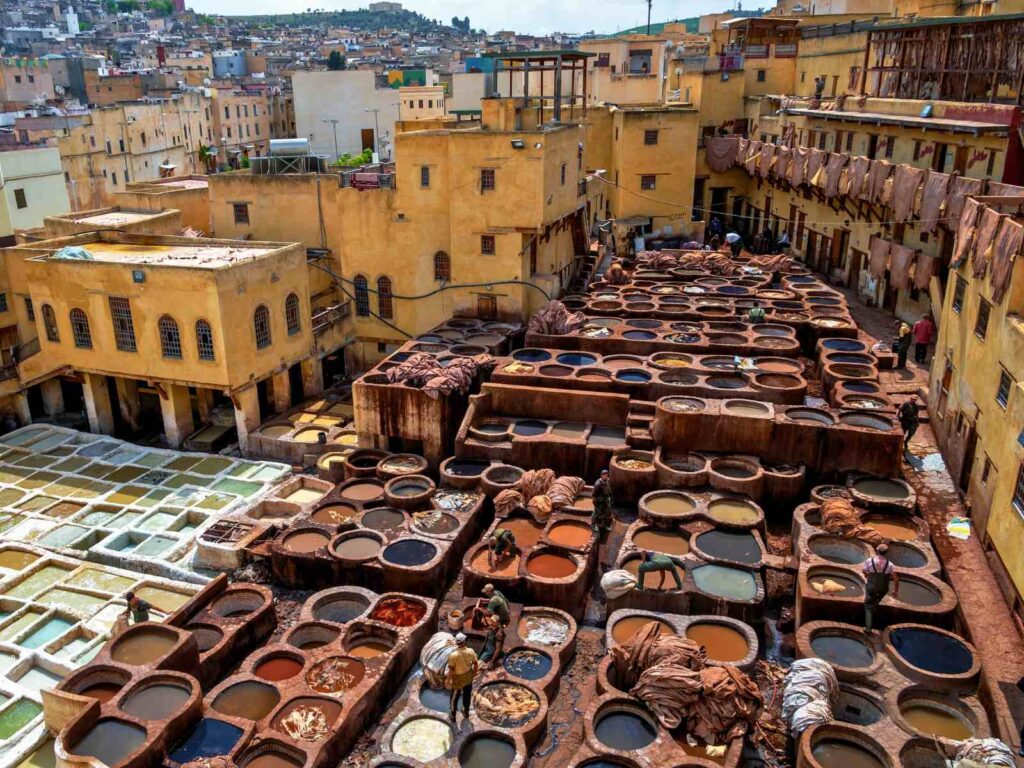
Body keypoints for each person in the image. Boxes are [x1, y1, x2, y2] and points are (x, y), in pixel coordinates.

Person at [862, 543, 899, 633]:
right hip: (883, 589)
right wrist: (895, 591)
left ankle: (868, 628)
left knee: (868, 607)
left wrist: (867, 575)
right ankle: (877, 617)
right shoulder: (890, 565)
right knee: (875, 602)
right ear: (886, 553)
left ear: (877, 551)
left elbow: (864, 570)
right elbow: (896, 579)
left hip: (872, 587)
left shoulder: (870, 561)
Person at [446, 633, 478, 723]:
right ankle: (466, 712)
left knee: (454, 697)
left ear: (456, 642)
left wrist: (447, 680)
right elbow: (475, 664)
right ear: (464, 642)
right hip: (468, 676)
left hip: (458, 679)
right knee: (467, 694)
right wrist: (473, 674)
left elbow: (451, 670)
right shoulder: (470, 651)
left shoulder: (453, 655)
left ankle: (452, 715)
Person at [591, 468, 613, 537]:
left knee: (607, 512)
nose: (605, 476)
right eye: (604, 475)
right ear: (601, 476)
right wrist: (596, 502)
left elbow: (609, 490)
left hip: (606, 499)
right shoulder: (598, 484)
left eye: (606, 475)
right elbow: (594, 495)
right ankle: (594, 525)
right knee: (597, 514)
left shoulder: (607, 481)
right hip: (599, 501)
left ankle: (605, 525)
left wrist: (611, 497)